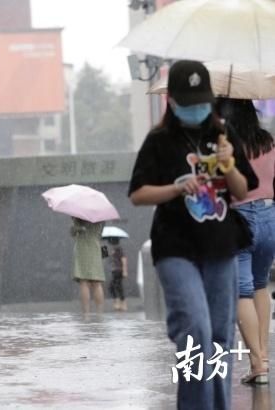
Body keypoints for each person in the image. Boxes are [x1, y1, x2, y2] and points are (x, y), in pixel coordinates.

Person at [129, 60, 257, 410]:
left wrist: (229, 165)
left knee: (219, 339)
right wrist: (175, 188)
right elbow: (138, 193)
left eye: (202, 101)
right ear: (173, 101)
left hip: (220, 246)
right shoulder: (159, 141)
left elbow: (243, 191)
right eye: (189, 102)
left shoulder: (224, 136)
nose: (197, 109)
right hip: (175, 248)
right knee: (195, 329)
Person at [216, 97, 275, 384]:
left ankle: (257, 364)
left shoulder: (225, 145)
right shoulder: (267, 141)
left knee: (242, 292)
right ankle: (263, 354)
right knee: (261, 284)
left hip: (239, 219)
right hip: (269, 215)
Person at [70, 217, 105, 315]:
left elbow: (73, 232)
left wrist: (75, 222)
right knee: (97, 282)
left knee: (84, 281)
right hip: (95, 247)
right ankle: (99, 312)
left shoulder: (79, 215)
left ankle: (86, 312)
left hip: (82, 247)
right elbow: (100, 233)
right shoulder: (100, 215)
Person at [105, 237, 128, 312]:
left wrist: (124, 270)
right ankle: (118, 302)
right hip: (114, 271)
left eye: (109, 240)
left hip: (119, 270)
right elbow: (104, 255)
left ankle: (122, 304)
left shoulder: (118, 248)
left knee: (118, 286)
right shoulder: (112, 249)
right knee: (112, 287)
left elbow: (123, 259)